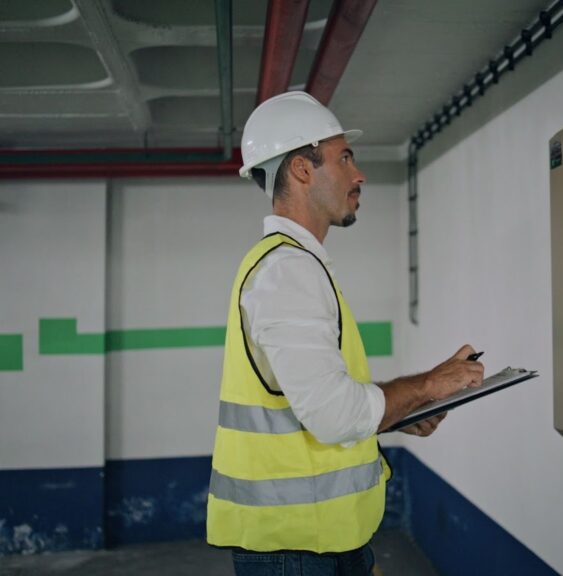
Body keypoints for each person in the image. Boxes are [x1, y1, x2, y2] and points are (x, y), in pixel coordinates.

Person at [206, 91, 484, 576]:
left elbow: (321, 405)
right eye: (345, 158)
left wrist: (403, 410)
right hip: (296, 551)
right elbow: (334, 416)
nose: (359, 175)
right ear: (301, 170)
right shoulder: (288, 271)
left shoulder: (296, 266)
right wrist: (425, 385)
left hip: (319, 544)